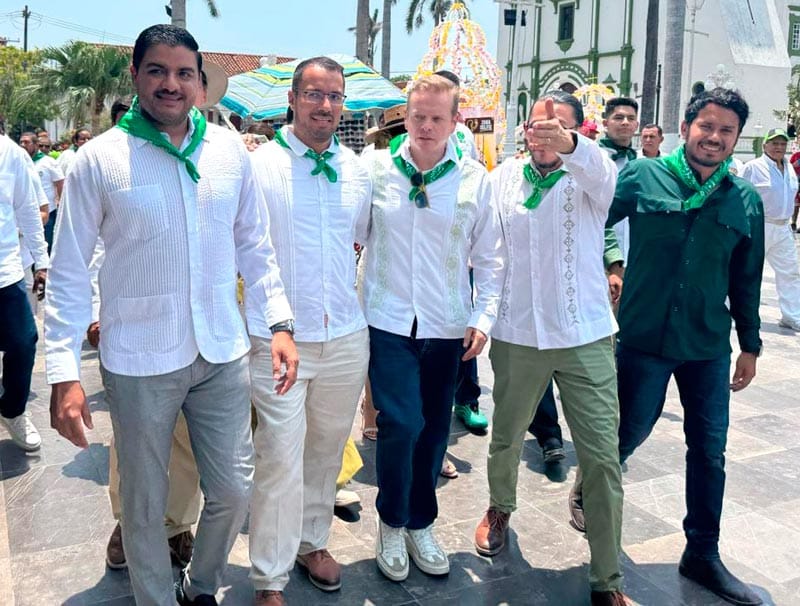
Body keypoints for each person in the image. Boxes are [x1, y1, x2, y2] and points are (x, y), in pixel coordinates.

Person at [44, 24, 297, 606]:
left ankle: (201, 586)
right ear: (135, 76)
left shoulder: (228, 153)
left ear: (200, 83)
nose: (171, 84)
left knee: (233, 489)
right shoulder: (99, 160)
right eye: (157, 70)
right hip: (139, 359)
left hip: (221, 353)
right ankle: (156, 599)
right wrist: (63, 372)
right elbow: (69, 271)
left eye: (184, 73)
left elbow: (255, 246)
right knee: (144, 503)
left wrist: (279, 322)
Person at [604, 88, 764, 606]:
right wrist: (611, 261)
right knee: (626, 434)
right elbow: (591, 220)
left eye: (726, 131)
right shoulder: (642, 175)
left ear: (736, 139)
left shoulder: (744, 200)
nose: (714, 137)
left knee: (709, 451)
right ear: (686, 127)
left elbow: (746, 278)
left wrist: (750, 344)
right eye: (706, 126)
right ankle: (597, 506)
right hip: (644, 337)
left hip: (707, 344)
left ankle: (702, 552)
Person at [474, 91, 626, 606]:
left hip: (584, 334)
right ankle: (500, 507)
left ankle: (607, 577)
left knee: (601, 456)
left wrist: (571, 147)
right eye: (538, 122)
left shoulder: (590, 177)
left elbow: (601, 172)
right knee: (507, 435)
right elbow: (489, 255)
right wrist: (483, 317)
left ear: (578, 131)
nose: (544, 132)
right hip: (518, 332)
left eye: (558, 125)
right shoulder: (501, 180)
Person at [362, 74, 505, 582]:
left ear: (454, 121)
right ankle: (391, 521)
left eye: (436, 118)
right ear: (406, 116)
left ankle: (420, 523)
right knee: (402, 423)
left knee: (434, 429)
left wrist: (483, 317)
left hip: (447, 324)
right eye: (417, 116)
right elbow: (350, 233)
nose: (425, 126)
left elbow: (490, 256)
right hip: (388, 318)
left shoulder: (473, 180)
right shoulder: (376, 170)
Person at [247, 56, 371, 606]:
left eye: (335, 96)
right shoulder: (261, 166)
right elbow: (250, 250)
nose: (325, 105)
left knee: (326, 450)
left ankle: (311, 541)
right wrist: (276, 321)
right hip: (278, 339)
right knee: (278, 454)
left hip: (344, 333)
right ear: (293, 99)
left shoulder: (357, 170)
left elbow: (361, 238)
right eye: (315, 94)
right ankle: (269, 575)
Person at [0, 132, 49, 452]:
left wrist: (41, 261)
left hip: (6, 270)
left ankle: (13, 410)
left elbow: (29, 209)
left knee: (23, 341)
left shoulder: (9, 153)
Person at [743, 129, 800, 332]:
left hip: (783, 228)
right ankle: (732, 311)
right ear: (765, 145)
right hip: (760, 226)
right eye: (774, 143)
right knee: (746, 271)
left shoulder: (789, 168)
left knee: (790, 272)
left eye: (782, 144)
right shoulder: (753, 167)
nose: (779, 147)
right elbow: (739, 194)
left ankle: (792, 316)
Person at [599, 97, 639, 268]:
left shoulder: (640, 163)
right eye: (618, 118)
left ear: (636, 125)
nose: (625, 122)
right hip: (599, 259)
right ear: (605, 123)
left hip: (633, 259)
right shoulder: (595, 160)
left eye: (631, 118)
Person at [19, 131, 64, 253]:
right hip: (26, 212)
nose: (23, 145)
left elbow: (60, 183)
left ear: (35, 145)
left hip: (47, 212)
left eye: (26, 142)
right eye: (21, 142)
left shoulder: (48, 162)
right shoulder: (19, 162)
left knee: (45, 246)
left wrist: (61, 204)